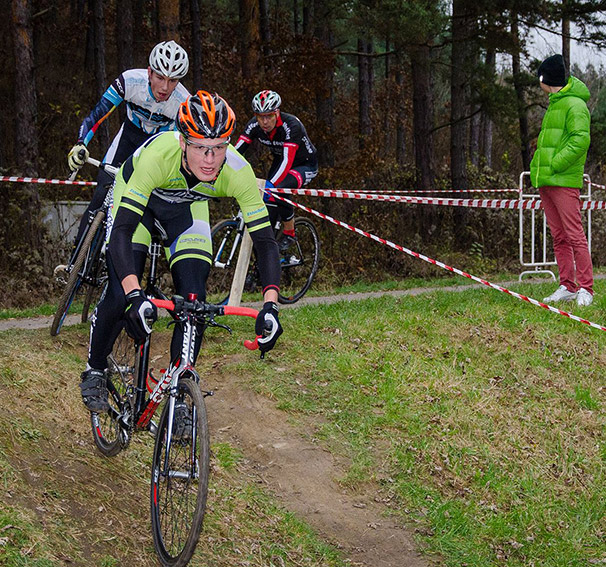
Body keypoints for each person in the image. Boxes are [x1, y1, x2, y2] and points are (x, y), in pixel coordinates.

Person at [79, 91, 283, 413]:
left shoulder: (237, 171)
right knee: (120, 293)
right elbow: (120, 232)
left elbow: (266, 243)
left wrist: (271, 307)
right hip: (139, 208)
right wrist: (134, 296)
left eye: (219, 148)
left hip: (186, 212)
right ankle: (94, 369)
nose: (210, 159)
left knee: (194, 301)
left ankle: (180, 391)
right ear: (183, 142)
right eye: (201, 147)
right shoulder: (157, 157)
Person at [55, 40, 191, 276]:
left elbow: (183, 148)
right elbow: (95, 117)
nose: (165, 87)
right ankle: (75, 264)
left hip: (157, 148)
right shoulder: (129, 81)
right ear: (149, 72)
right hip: (127, 139)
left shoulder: (183, 102)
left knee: (148, 202)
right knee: (100, 196)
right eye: (160, 77)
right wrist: (80, 144)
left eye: (173, 80)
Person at [530, 54, 593, 307]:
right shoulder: (555, 103)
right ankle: (567, 285)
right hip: (547, 180)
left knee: (574, 235)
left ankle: (586, 288)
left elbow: (580, 141)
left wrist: (555, 164)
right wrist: (538, 167)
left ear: (546, 79)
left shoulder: (575, 105)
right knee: (559, 236)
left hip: (563, 180)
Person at [234, 90, 318, 252]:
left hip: (304, 165)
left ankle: (289, 233)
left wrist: (270, 187)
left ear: (277, 113)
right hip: (280, 161)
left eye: (269, 116)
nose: (264, 121)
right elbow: (236, 152)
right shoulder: (253, 125)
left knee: (278, 190)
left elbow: (288, 161)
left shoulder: (291, 125)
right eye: (260, 116)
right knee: (267, 212)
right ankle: (263, 263)